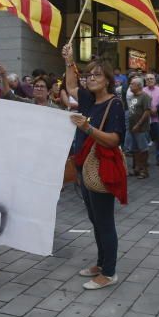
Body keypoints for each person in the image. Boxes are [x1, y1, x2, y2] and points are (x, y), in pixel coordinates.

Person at [62, 43, 127, 290]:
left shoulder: (115, 104)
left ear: (109, 80)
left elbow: (115, 139)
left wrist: (88, 128)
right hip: (83, 166)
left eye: (97, 74)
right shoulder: (89, 101)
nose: (91, 78)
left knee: (104, 221)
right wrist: (69, 61)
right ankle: (101, 263)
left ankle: (109, 272)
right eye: (89, 74)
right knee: (94, 218)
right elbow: (70, 86)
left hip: (101, 168)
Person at [126, 77, 152, 178]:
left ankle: (144, 171)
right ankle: (137, 168)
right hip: (132, 127)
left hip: (141, 128)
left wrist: (138, 124)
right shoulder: (132, 96)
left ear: (138, 85)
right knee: (135, 149)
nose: (130, 85)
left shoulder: (145, 97)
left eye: (132, 84)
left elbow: (147, 112)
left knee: (143, 149)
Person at [144, 73, 159, 165]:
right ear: (145, 81)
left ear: (155, 80)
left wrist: (156, 108)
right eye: (148, 79)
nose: (150, 80)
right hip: (145, 119)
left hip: (157, 119)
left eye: (151, 79)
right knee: (145, 140)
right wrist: (149, 110)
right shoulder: (143, 90)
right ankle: (145, 160)